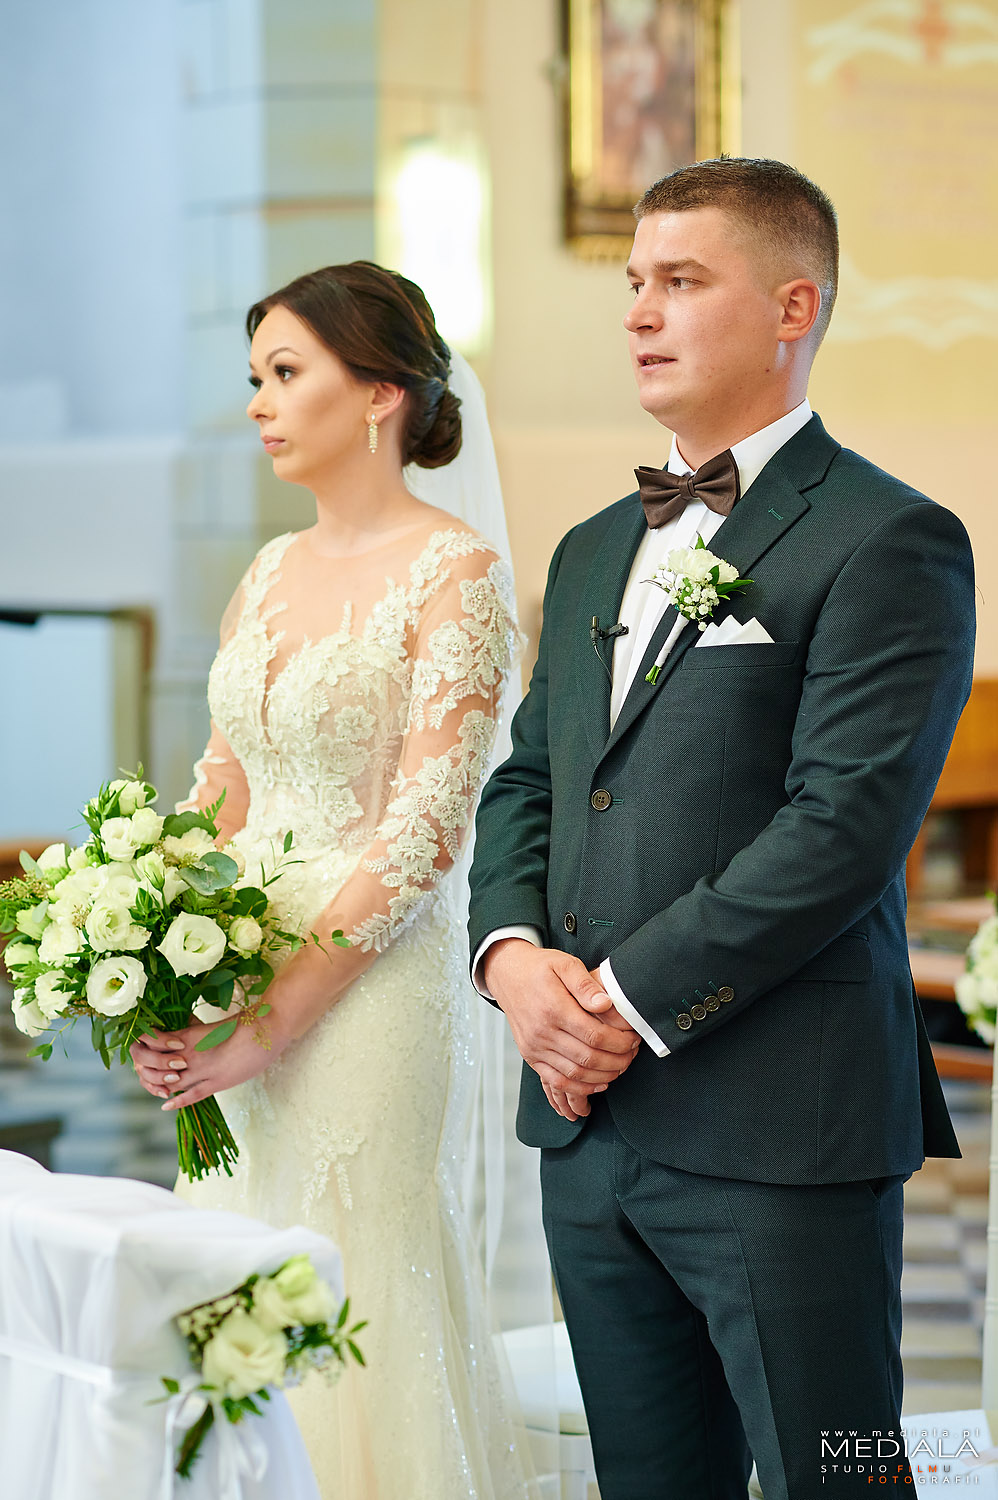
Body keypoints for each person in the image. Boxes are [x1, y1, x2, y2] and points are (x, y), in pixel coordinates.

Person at [468, 158, 975, 1500]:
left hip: (778, 1127)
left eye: (681, 282)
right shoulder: (590, 546)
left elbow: (839, 831)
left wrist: (613, 1004)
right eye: (634, 282)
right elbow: (531, 782)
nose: (638, 312)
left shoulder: (888, 538)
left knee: (841, 1477)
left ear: (791, 307)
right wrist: (512, 964)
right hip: (586, 1131)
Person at [130, 262, 535, 1500]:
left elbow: (422, 835)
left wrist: (269, 1023)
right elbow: (222, 784)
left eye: (284, 373)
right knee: (233, 1247)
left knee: (351, 1261)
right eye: (254, 376)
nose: (258, 403)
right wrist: (145, 940)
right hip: (231, 961)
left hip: (368, 993)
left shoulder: (456, 573)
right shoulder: (266, 568)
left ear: (376, 392)